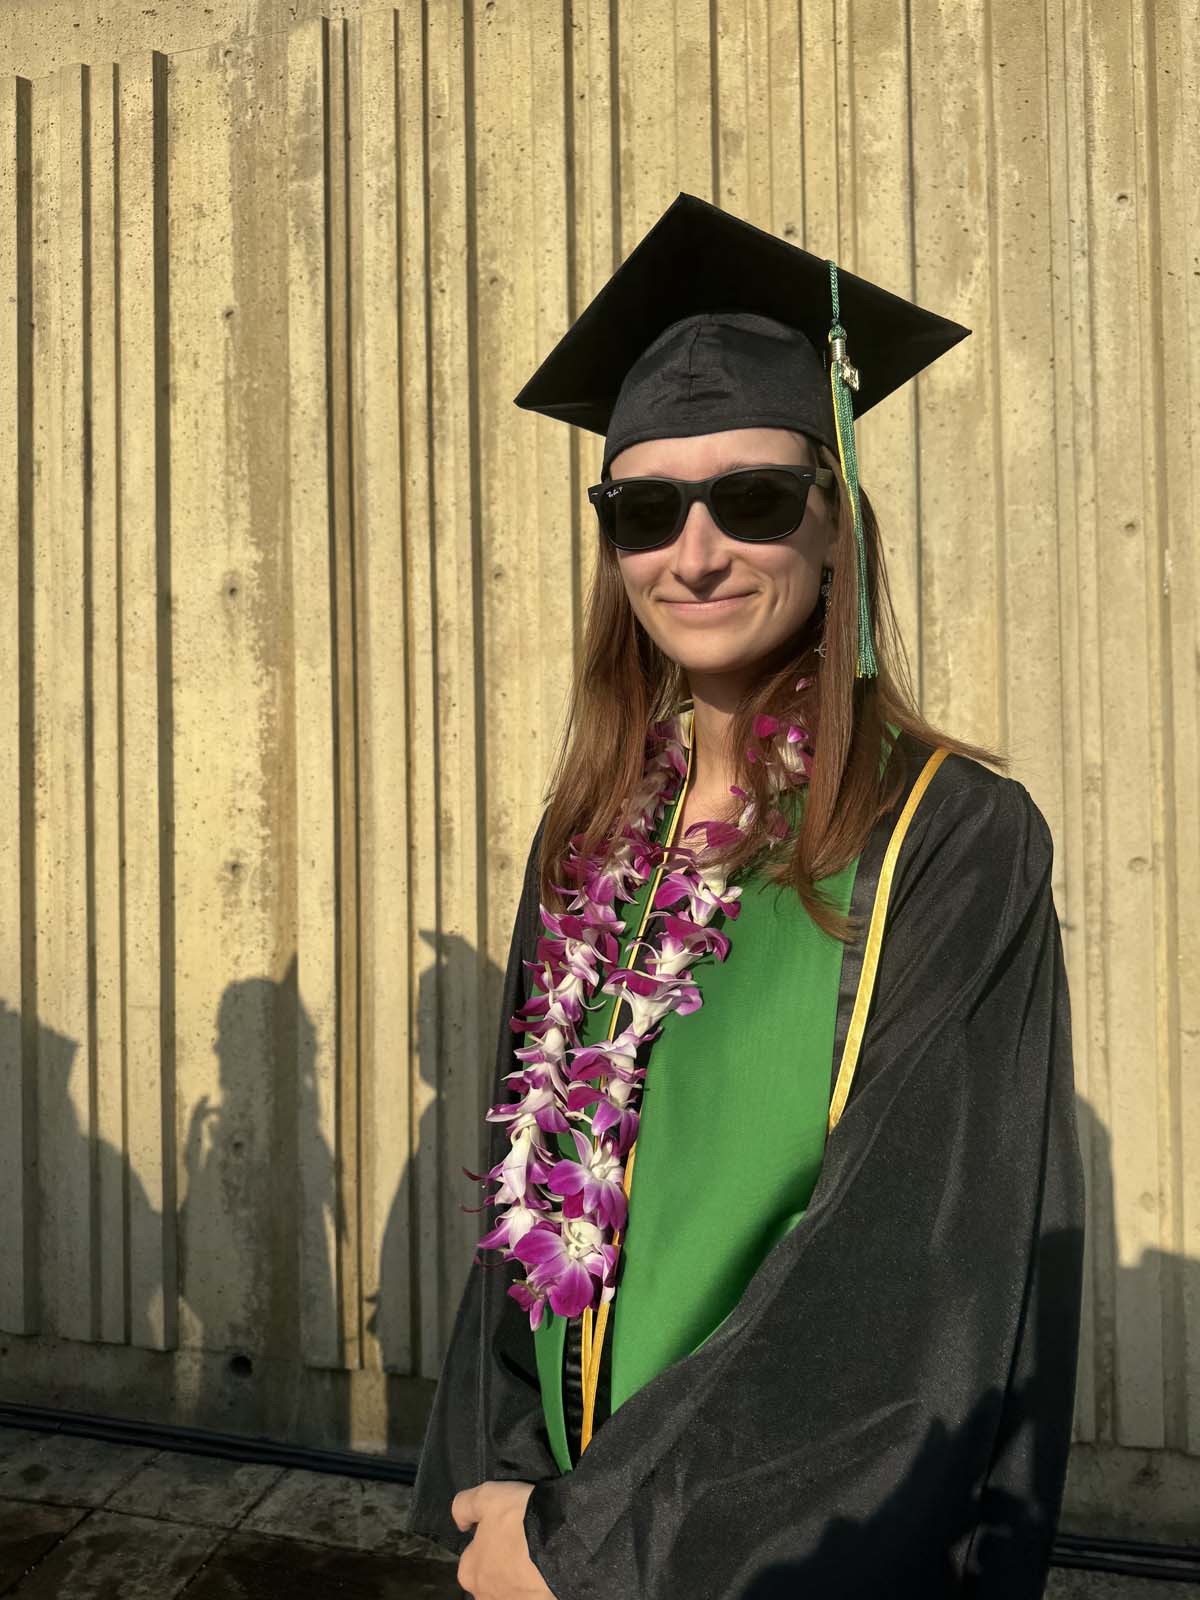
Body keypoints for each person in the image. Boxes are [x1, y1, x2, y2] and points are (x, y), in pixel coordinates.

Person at [406, 192, 1085, 1599]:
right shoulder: (591, 833)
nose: (694, 551)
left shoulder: (950, 838)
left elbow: (901, 1279)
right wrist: (521, 1489)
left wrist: (591, 1544)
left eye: (753, 498)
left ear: (835, 525)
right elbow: (531, 1209)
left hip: (782, 1555)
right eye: (643, 510)